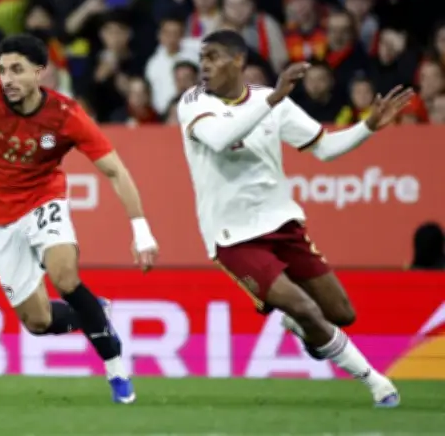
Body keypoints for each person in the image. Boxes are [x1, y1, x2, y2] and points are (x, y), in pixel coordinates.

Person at [0, 33, 159, 404]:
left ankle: (116, 369)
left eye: (17, 70)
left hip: (44, 200)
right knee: (38, 322)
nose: (7, 79)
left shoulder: (65, 115)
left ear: (39, 72)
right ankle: (94, 311)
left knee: (65, 277)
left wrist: (141, 230)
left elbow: (115, 170)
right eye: (2, 70)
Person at [177, 30, 413, 407]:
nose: (204, 65)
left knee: (340, 313)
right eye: (202, 57)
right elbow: (220, 138)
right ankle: (376, 382)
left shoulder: (271, 102)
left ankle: (302, 327)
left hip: (281, 223)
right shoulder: (193, 102)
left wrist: (366, 127)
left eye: (214, 56)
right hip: (232, 236)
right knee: (305, 308)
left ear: (238, 61)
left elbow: (325, 148)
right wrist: (273, 98)